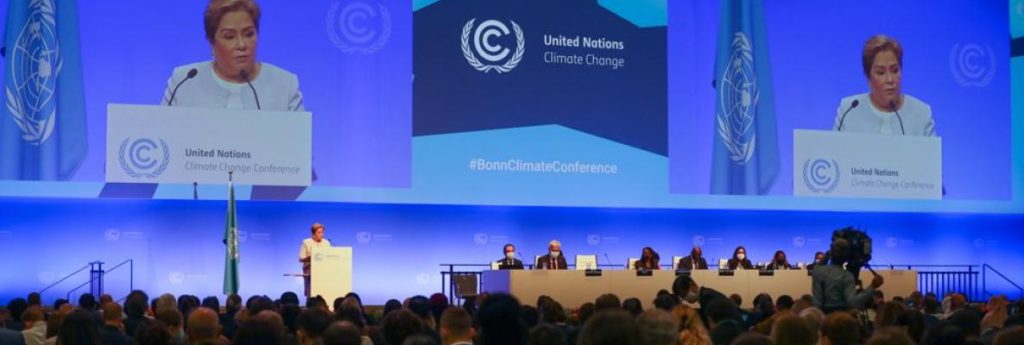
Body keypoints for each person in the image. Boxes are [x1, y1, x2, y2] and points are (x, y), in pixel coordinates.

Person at [163, 0, 303, 111]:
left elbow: (298, 145)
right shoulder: (184, 82)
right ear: (212, 41)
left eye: (249, 34)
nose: (242, 45)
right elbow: (162, 135)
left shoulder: (285, 85)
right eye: (229, 37)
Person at [834, 35, 934, 137]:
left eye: (895, 70)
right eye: (881, 72)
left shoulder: (922, 113)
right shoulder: (848, 110)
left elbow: (931, 153)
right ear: (868, 76)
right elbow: (833, 151)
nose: (890, 79)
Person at [812, 238, 883, 313]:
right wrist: (873, 286)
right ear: (846, 257)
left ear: (831, 253)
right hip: (839, 318)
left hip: (818, 317)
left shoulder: (817, 270)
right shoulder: (846, 276)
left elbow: (820, 264)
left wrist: (831, 251)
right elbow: (853, 303)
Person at [299, 222, 333, 297]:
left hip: (324, 272)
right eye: (319, 233)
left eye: (322, 232)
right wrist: (312, 258)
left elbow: (329, 257)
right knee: (311, 294)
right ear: (313, 233)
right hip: (310, 272)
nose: (322, 235)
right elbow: (301, 259)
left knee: (324, 294)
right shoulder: (306, 242)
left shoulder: (326, 243)